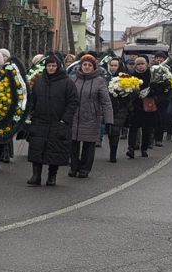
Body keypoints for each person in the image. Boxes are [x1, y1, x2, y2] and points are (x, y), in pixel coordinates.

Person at [26, 52, 79, 187]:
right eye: (48, 65)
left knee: (55, 149)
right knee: (37, 148)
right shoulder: (39, 83)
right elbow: (33, 100)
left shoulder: (67, 83)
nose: (50, 68)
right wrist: (30, 112)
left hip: (58, 122)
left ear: (58, 66)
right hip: (40, 121)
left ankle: (52, 176)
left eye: (53, 65)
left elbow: (73, 102)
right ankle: (36, 175)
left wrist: (64, 120)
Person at [68, 54, 112, 178]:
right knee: (73, 143)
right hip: (74, 116)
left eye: (89, 65)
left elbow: (106, 101)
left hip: (91, 117)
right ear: (81, 66)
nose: (87, 67)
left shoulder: (99, 81)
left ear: (93, 67)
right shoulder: (73, 79)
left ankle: (84, 169)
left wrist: (109, 119)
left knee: (88, 144)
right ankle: (74, 167)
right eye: (85, 65)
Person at [126, 56, 157, 158]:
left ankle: (144, 149)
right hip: (136, 105)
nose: (140, 66)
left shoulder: (152, 74)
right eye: (138, 64)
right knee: (134, 127)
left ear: (146, 64)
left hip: (148, 104)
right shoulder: (132, 75)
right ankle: (131, 148)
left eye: (142, 64)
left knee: (146, 128)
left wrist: (153, 90)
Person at [106, 57, 129, 163]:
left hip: (120, 109)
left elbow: (130, 95)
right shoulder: (105, 77)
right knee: (109, 131)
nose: (113, 67)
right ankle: (112, 149)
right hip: (107, 109)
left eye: (116, 65)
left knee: (115, 131)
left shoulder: (125, 78)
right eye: (112, 65)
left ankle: (113, 154)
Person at [150, 50, 172, 146]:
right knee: (151, 119)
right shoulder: (151, 68)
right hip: (152, 97)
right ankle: (150, 139)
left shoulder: (169, 69)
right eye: (157, 58)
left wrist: (167, 84)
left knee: (161, 119)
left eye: (161, 58)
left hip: (164, 98)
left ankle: (158, 139)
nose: (159, 59)